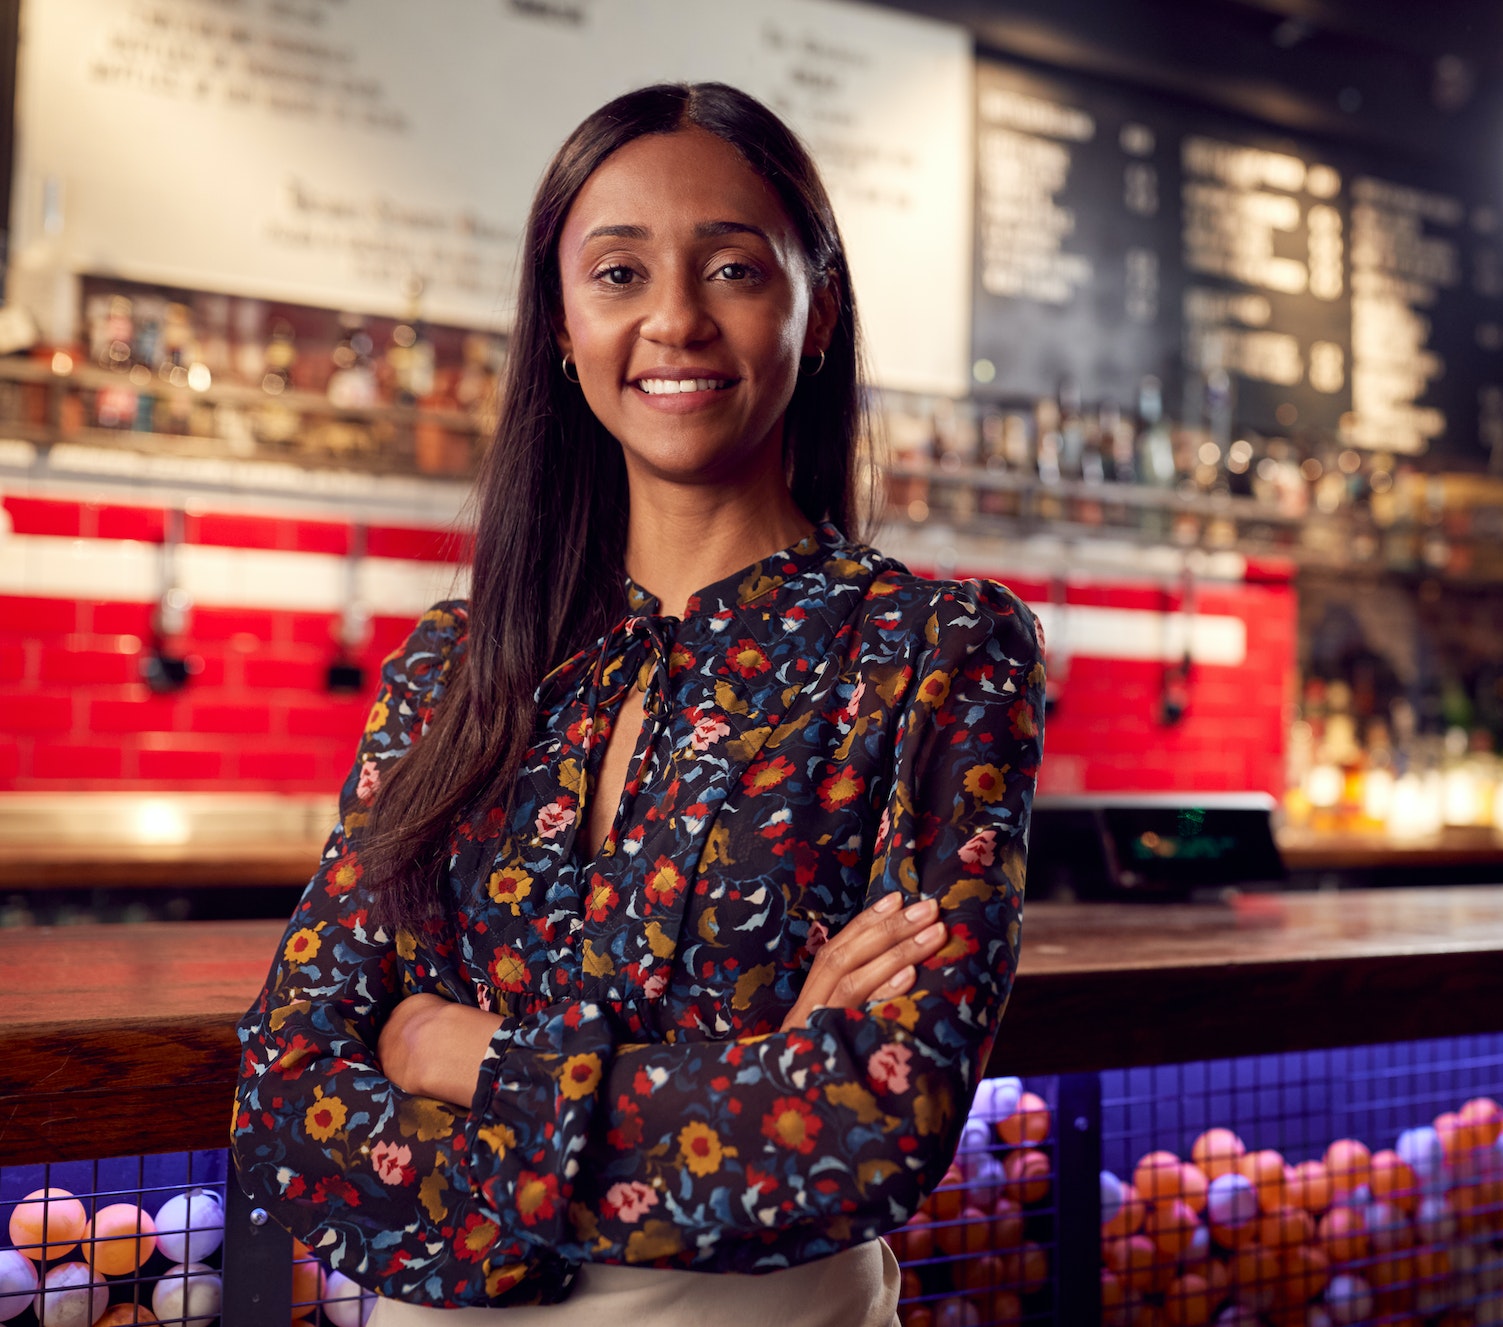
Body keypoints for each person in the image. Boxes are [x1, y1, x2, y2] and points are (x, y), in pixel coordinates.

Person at [231, 82, 1045, 1324]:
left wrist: (456, 1053)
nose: (674, 319)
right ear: (560, 323)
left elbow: (873, 1124)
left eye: (731, 269)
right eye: (617, 274)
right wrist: (748, 1077)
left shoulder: (936, 654)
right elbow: (288, 1101)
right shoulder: (453, 668)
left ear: (812, 311)